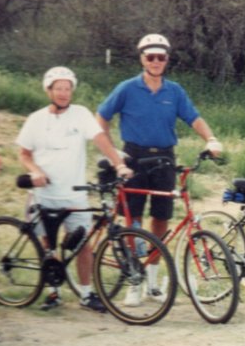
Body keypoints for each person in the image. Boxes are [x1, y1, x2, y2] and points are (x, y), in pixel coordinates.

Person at [95, 33, 223, 306]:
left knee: (161, 218)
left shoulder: (174, 91)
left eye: (160, 57)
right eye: (150, 57)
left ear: (167, 60)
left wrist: (210, 139)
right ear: (142, 59)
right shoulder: (127, 88)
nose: (155, 62)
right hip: (134, 157)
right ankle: (134, 278)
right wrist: (112, 152)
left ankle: (152, 280)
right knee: (133, 220)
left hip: (164, 158)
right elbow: (101, 117)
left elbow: (193, 117)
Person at [16, 67, 131, 313]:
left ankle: (86, 294)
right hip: (45, 193)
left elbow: (100, 139)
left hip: (74, 194)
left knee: (83, 246)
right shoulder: (36, 119)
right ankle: (52, 293)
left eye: (68, 89)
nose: (63, 93)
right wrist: (34, 170)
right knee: (48, 244)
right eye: (58, 88)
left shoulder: (80, 115)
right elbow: (23, 153)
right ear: (49, 90)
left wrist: (118, 163)